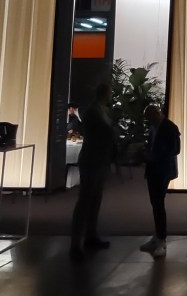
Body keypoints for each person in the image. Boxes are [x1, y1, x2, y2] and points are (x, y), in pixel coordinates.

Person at [70, 83, 117, 260]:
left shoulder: (101, 110)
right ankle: (76, 243)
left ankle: (90, 236)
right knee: (85, 201)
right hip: (92, 160)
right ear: (104, 93)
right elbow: (101, 133)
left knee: (95, 199)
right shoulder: (94, 112)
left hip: (100, 160)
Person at [139, 103, 181, 258]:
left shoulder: (169, 128)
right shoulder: (155, 127)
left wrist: (155, 155)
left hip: (163, 170)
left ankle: (161, 238)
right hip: (154, 169)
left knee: (158, 203)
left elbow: (175, 149)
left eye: (149, 118)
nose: (148, 121)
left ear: (156, 114)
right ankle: (158, 235)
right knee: (156, 203)